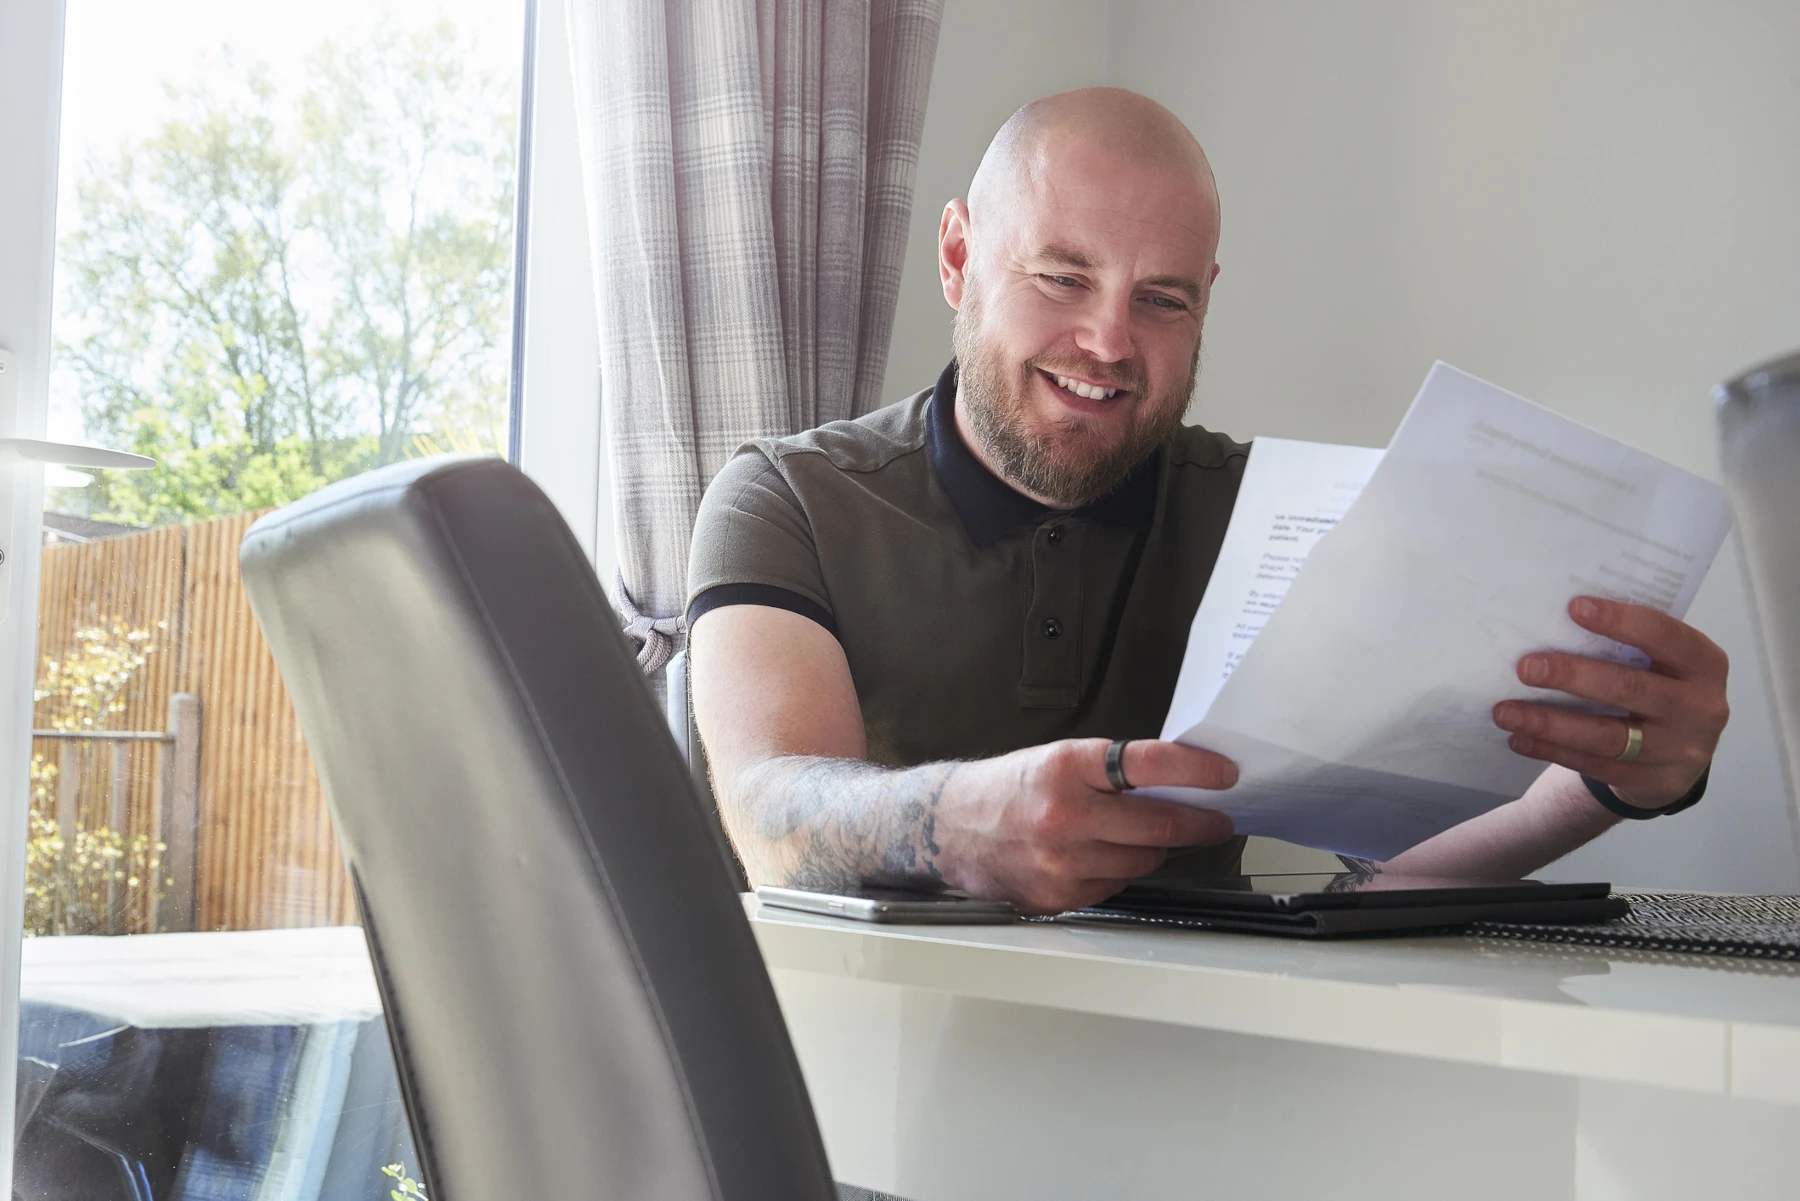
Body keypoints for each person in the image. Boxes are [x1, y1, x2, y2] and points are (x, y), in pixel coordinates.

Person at [684, 87, 1729, 915]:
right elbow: (773, 815)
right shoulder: (787, 497)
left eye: (1162, 299)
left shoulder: (1274, 517)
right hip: (866, 1105)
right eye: (1062, 276)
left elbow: (1381, 876)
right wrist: (961, 821)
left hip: (1205, 1088)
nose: (1108, 341)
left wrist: (1616, 779)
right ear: (959, 257)